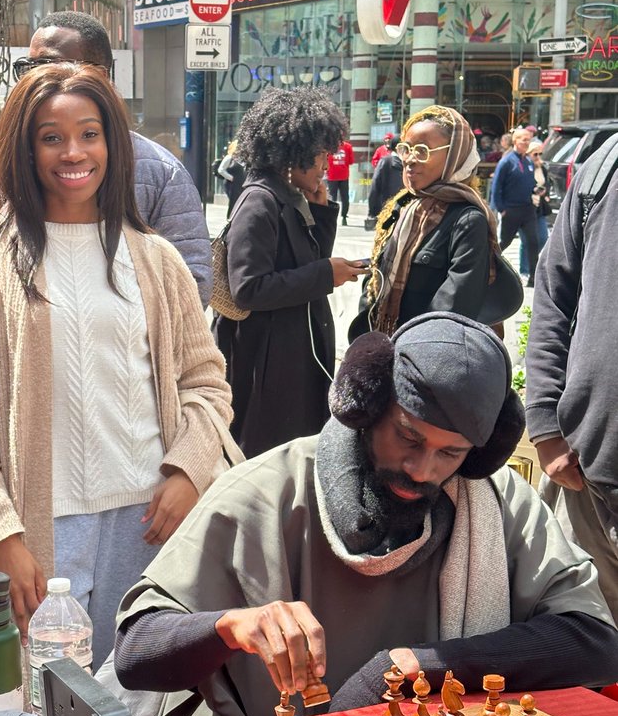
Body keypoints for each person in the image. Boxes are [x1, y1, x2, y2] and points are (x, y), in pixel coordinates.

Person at [113, 313, 618, 716]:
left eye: (451, 453)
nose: (422, 470)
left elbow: (595, 640)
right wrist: (230, 627)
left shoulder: (498, 502)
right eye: (407, 436)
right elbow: (135, 652)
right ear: (367, 405)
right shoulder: (265, 489)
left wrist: (413, 667)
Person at [0, 63, 232, 668]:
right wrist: (2, 535)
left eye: (89, 133)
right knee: (49, 709)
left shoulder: (157, 259)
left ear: (112, 143)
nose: (74, 152)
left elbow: (206, 382)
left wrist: (189, 470)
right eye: (52, 136)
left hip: (151, 517)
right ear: (25, 146)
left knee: (147, 696)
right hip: (44, 529)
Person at [0, 10, 212, 307]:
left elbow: (193, 285)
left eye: (47, 65)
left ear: (100, 75)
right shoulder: (9, 167)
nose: (34, 79)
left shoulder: (161, 174)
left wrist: (109, 324)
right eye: (27, 67)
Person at [213, 87, 364, 458]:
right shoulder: (260, 201)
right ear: (291, 155)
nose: (326, 165)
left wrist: (323, 213)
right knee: (270, 459)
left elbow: (305, 261)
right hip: (268, 364)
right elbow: (248, 288)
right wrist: (326, 275)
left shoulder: (289, 196)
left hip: (291, 356)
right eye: (319, 155)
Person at [525, 154, 618, 622]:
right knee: (581, 663)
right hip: (587, 482)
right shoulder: (604, 168)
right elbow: (553, 294)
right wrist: (544, 424)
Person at [353, 106, 498, 338]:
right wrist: (366, 342)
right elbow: (374, 285)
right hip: (383, 349)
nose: (410, 159)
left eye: (423, 150)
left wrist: (408, 353)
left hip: (429, 357)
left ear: (453, 156)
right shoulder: (401, 207)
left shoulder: (468, 220)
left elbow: (454, 308)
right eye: (406, 149)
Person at [490, 127, 539, 287]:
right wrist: (501, 208)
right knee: (505, 241)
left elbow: (530, 183)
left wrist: (536, 190)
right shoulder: (506, 161)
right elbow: (496, 187)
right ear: (515, 141)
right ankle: (487, 266)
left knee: (533, 241)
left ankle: (533, 277)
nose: (527, 142)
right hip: (511, 209)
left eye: (528, 139)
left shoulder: (528, 161)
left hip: (527, 209)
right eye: (523, 139)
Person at [519, 137, 550, 278]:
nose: (538, 157)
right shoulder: (523, 167)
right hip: (525, 207)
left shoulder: (542, 167)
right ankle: (525, 269)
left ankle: (532, 262)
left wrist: (544, 191)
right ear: (528, 154)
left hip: (539, 208)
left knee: (543, 237)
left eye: (540, 154)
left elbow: (547, 183)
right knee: (526, 240)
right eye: (535, 154)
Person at [326, 137, 354, 225]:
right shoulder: (348, 146)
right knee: (344, 197)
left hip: (332, 175)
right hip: (343, 176)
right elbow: (351, 161)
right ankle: (344, 217)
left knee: (332, 198)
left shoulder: (328, 146)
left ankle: (331, 216)